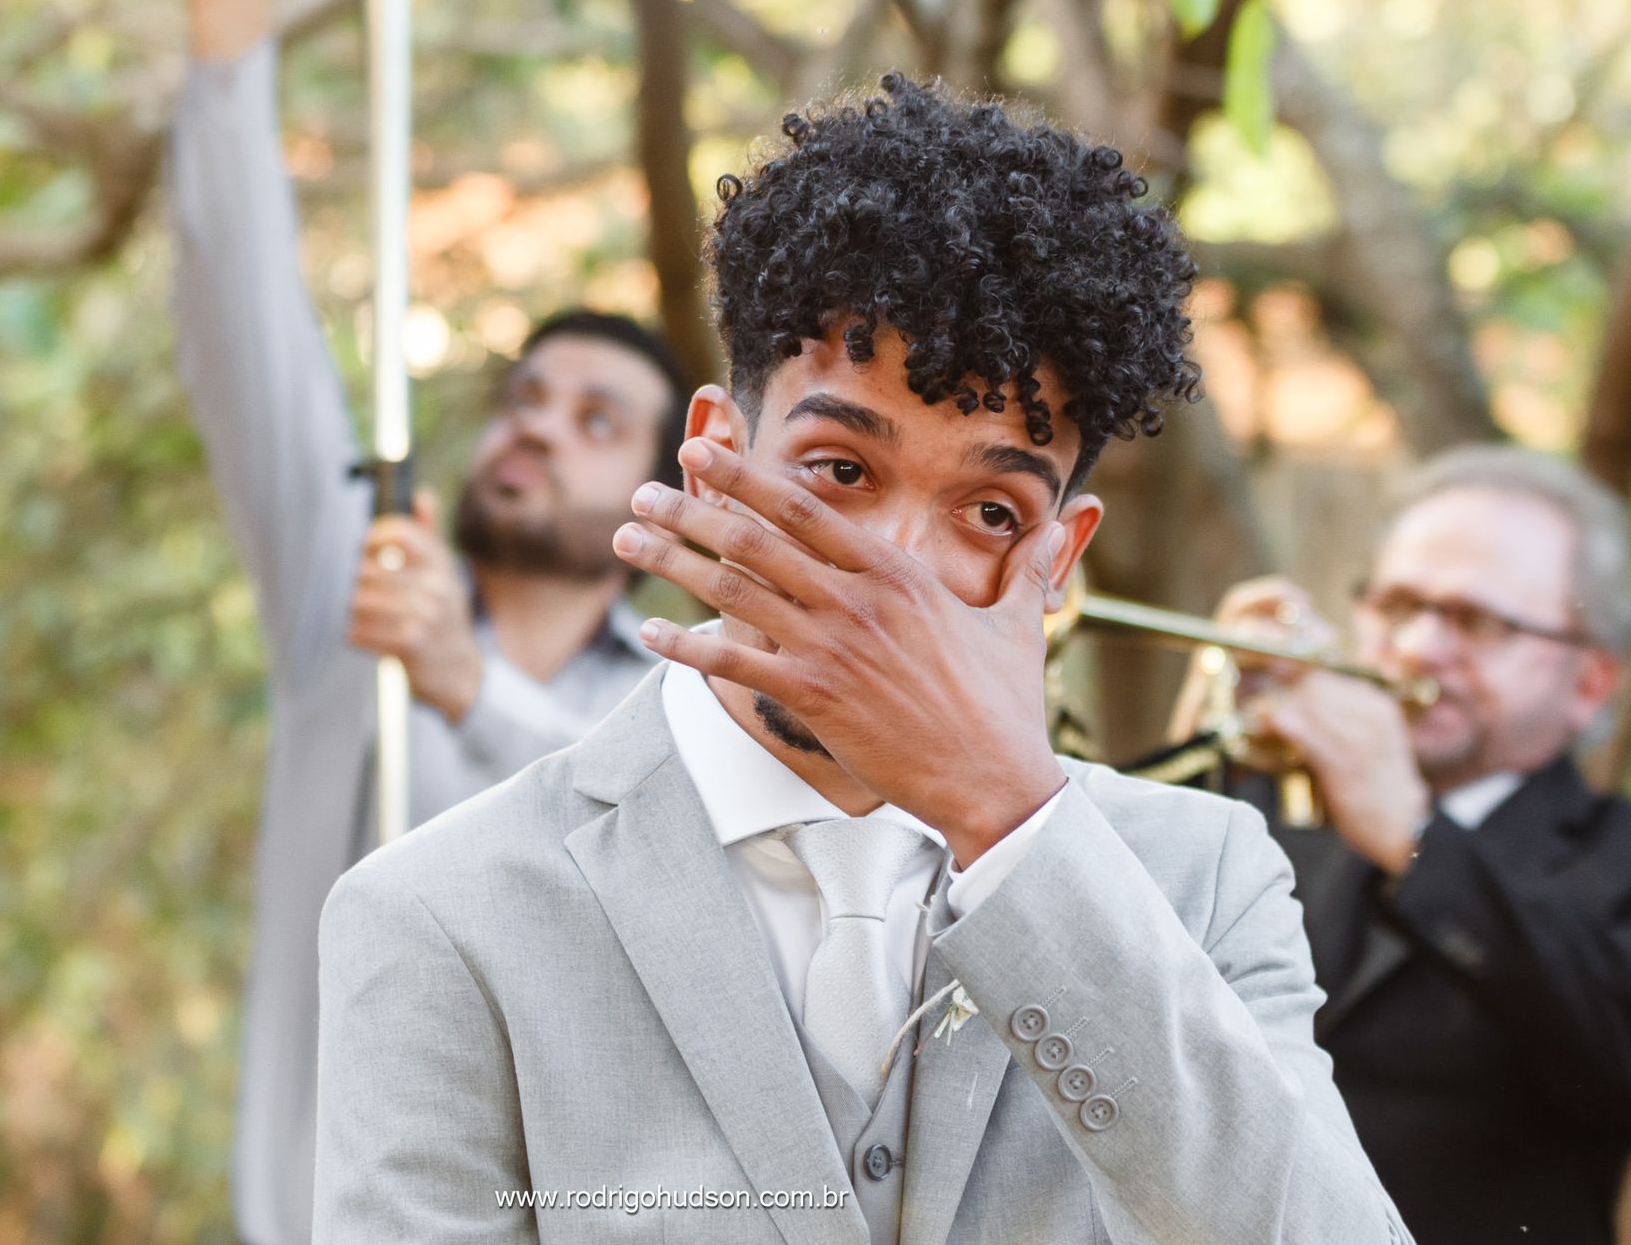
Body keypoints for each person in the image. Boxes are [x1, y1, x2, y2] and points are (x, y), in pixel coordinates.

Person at [313, 74, 1409, 1244]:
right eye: (840, 470)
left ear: (1060, 552)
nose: (890, 571)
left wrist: (1006, 814)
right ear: (711, 460)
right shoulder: (443, 913)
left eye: (989, 510)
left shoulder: (1202, 879)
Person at [172, 0, 687, 1239]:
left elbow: (665, 883)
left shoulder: (671, 712)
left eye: (594, 419)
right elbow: (253, 343)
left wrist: (469, 686)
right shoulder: (354, 590)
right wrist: (227, 55)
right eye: (524, 396)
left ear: (658, 500)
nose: (536, 427)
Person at [1200, 445, 1631, 1245]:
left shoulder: (1615, 853)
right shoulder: (1274, 809)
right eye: (1397, 606)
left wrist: (1415, 835)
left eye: (1477, 621)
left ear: (1588, 685)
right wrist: (1210, 733)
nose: (1418, 648)